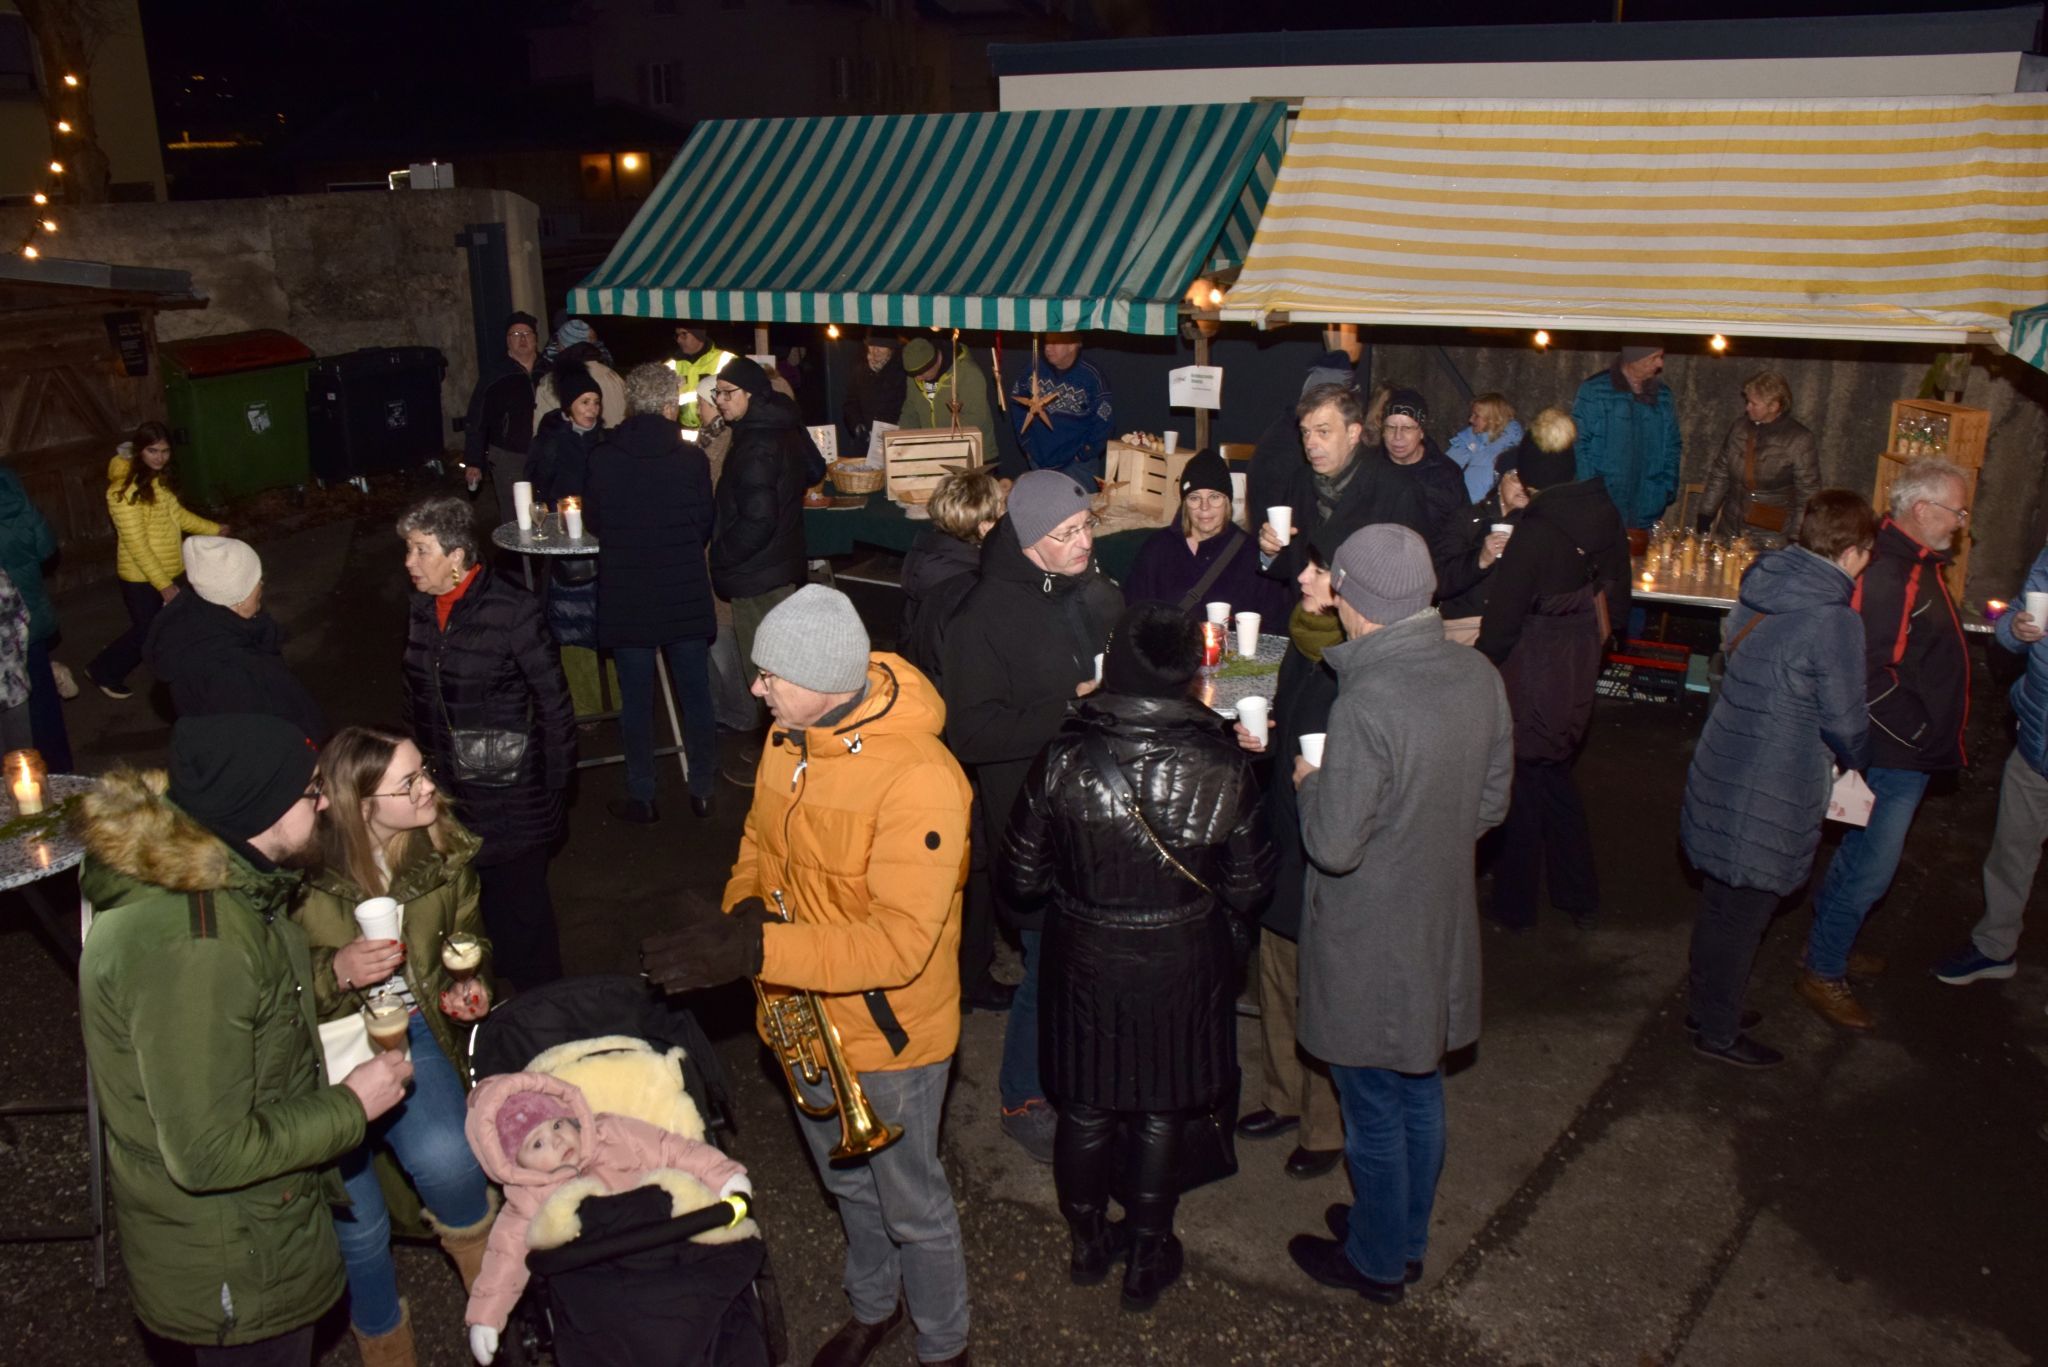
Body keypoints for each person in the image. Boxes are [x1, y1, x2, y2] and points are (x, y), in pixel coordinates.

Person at [643, 586, 975, 1367]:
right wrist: (745, 907)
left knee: (913, 1206)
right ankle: (874, 1306)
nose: (754, 689)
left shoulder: (921, 779)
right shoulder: (791, 736)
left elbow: (897, 947)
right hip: (802, 1019)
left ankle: (945, 1345)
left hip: (890, 1037)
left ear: (827, 678)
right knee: (847, 1184)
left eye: (769, 676)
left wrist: (757, 952)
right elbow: (759, 841)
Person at [78, 713, 415, 1364]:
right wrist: (351, 1104)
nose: (321, 803)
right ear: (262, 806)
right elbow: (206, 1151)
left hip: (254, 1227)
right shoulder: (199, 949)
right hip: (234, 1261)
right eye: (310, 790)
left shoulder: (220, 889)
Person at [1002, 602, 1274, 1311]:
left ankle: (1089, 1244)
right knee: (1161, 1109)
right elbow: (1250, 885)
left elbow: (1020, 878)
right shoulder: (1223, 761)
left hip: (1085, 960)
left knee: (1086, 1107)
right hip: (1181, 960)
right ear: (1189, 672)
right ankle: (1148, 1253)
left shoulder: (1063, 755)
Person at [1286, 525, 1512, 1304]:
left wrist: (1311, 781)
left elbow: (1335, 845)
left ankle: (1378, 1261)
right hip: (1440, 921)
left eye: (1341, 591)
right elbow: (1489, 802)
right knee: (1421, 1085)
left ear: (1361, 603)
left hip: (1368, 937)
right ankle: (1404, 1234)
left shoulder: (1367, 700)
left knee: (1372, 1103)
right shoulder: (1478, 673)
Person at [294, 726, 496, 1366]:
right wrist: (337, 971)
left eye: (424, 770)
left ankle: (497, 1303)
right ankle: (385, 1348)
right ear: (359, 804)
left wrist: (470, 985)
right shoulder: (297, 873)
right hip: (319, 1047)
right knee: (357, 1220)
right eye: (407, 782)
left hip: (410, 1027)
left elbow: (471, 942)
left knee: (451, 1160)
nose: (429, 786)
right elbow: (264, 990)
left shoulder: (441, 849)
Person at [940, 471, 1123, 1164]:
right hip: (1034, 828)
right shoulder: (981, 617)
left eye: (1085, 528)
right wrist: (1069, 707)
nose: (1083, 542)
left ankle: (1079, 1077)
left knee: (1084, 966)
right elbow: (972, 733)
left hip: (1093, 819)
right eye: (1066, 534)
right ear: (1026, 539)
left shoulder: (1077, 588)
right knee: (1046, 969)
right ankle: (1022, 1096)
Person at [1681, 491, 1875, 1068]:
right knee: (1744, 916)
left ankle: (1708, 1005)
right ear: (1848, 552)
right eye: (1866, 553)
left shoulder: (1764, 583)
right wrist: (1859, 754)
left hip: (1725, 760)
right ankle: (1716, 1033)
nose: (1867, 564)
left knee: (1721, 903)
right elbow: (1846, 722)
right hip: (1774, 782)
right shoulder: (1834, 621)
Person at [1798, 458, 1971, 1029]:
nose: (1962, 522)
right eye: (1956, 510)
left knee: (1858, 855)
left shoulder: (1913, 561)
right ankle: (1823, 970)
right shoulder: (1895, 573)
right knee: (1873, 867)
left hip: (1901, 750)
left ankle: (1832, 942)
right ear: (1922, 511)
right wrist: (1920, 733)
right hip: (1895, 751)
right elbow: (1868, 672)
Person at [397, 496, 576, 989]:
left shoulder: (512, 609)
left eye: (420, 550)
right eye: (408, 550)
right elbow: (415, 694)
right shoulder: (421, 608)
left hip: (512, 797)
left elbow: (554, 704)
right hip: (449, 796)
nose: (410, 563)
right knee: (472, 922)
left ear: (456, 555)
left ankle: (542, 1016)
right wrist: (415, 773)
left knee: (524, 927)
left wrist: (556, 788)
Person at [462, 1072, 753, 1367]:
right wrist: (486, 1317)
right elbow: (504, 1257)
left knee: (706, 1295)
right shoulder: (527, 1197)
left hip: (665, 1242)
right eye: (537, 1144)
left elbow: (671, 1149)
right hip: (599, 1279)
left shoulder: (610, 1133)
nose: (558, 1140)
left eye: (558, 1124)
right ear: (514, 1165)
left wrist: (723, 1174)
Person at [1477, 416, 1630, 932]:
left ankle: (1514, 907)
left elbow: (1502, 623)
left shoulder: (1533, 533)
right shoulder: (1605, 513)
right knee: (1554, 773)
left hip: (1533, 670)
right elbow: (1620, 598)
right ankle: (1576, 891)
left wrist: (1474, 667)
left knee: (1522, 781)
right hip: (1579, 664)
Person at [1232, 544, 1348, 1180]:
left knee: (1320, 993)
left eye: (1318, 570)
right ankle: (1281, 1096)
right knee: (1276, 978)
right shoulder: (1299, 645)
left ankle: (1325, 1127)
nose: (1301, 576)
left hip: (1328, 843)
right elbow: (1277, 723)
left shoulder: (1353, 663)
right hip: (1285, 833)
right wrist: (1263, 738)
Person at [584, 363, 720, 823]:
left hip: (628, 593)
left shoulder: (603, 457)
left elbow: (595, 523)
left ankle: (642, 793)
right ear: (667, 406)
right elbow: (704, 523)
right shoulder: (691, 460)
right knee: (695, 695)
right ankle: (702, 786)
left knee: (637, 702)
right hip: (681, 588)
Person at [1937, 537, 2048, 985]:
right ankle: (1995, 947)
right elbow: (2012, 619)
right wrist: (2015, 629)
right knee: (2010, 853)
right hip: (2036, 739)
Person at [708, 355, 828, 688]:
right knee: (786, 667)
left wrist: (721, 555)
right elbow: (815, 469)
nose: (719, 401)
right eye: (716, 393)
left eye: (727, 393)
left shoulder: (757, 443)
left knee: (767, 678)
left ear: (750, 394)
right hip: (781, 564)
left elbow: (758, 520)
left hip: (756, 574)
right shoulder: (781, 422)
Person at [85, 421, 225, 701]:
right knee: (148, 632)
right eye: (152, 450)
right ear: (139, 451)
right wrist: (163, 584)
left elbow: (178, 516)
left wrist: (214, 529)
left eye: (164, 451)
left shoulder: (156, 482)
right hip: (140, 577)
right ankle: (103, 670)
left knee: (174, 624)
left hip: (170, 568)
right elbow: (137, 545)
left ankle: (189, 673)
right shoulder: (122, 492)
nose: (160, 457)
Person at [143, 535, 328, 741]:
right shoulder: (228, 672)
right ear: (237, 599)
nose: (262, 583)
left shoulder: (205, 616)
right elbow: (260, 736)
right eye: (255, 580)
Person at [1256, 383, 1430, 591]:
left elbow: (1410, 579)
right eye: (1305, 432)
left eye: (1323, 432)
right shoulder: (1301, 482)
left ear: (1353, 433)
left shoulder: (1395, 489)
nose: (1310, 443)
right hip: (1305, 618)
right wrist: (1270, 552)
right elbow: (1291, 569)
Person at [524, 364, 607, 717]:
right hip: (566, 548)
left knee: (609, 623)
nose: (592, 409)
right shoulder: (553, 442)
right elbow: (537, 486)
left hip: (603, 543)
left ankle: (618, 701)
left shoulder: (607, 440)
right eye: (585, 402)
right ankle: (586, 706)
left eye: (596, 402)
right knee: (572, 626)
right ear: (569, 406)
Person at [1122, 450, 1290, 625]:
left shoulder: (1249, 552)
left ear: (1227, 502)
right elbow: (1133, 614)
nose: (1204, 507)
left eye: (1214, 497)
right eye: (1194, 498)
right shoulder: (1158, 547)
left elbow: (1271, 622)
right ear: (1184, 504)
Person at [897, 465, 1004, 691]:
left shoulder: (926, 558)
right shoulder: (971, 585)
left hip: (920, 687)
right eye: (1001, 509)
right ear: (985, 528)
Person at [1696, 370, 1822, 549]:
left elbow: (1808, 493)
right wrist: (1706, 514)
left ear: (1774, 406)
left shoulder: (1799, 439)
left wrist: (1796, 537)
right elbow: (1720, 473)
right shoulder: (1739, 428)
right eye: (1747, 401)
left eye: (1754, 403)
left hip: (1771, 534)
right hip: (1730, 527)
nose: (1747, 407)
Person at [0, 461, 69, 767]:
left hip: (9, 622)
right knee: (41, 703)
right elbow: (46, 547)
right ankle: (57, 774)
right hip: (30, 615)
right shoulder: (10, 485)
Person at [1571, 343, 1681, 532]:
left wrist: (1665, 488)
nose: (1660, 364)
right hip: (1604, 502)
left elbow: (1672, 444)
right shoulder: (1595, 390)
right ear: (1634, 359)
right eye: (1653, 358)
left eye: (1661, 357)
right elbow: (1579, 444)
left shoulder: (1662, 395)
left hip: (1648, 504)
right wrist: (1589, 491)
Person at [1433, 444, 1531, 630]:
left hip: (1516, 628)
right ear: (1499, 481)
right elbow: (1440, 581)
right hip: (1466, 623)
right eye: (1516, 476)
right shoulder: (1468, 519)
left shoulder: (1536, 525)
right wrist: (1480, 559)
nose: (1523, 486)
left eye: (1530, 478)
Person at [462, 312, 546, 531]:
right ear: (508, 340)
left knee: (547, 510)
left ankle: (548, 562)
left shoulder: (548, 371)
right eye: (516, 334)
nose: (522, 339)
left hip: (546, 453)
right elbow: (477, 418)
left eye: (527, 333)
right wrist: (474, 461)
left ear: (536, 338)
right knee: (515, 516)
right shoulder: (495, 375)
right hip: (509, 455)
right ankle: (519, 563)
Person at [1007, 332, 1113, 483]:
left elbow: (1104, 422)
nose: (1048, 348)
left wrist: (1083, 455)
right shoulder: (1033, 369)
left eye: (1055, 343)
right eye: (1046, 342)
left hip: (1077, 468)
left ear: (1073, 345)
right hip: (1039, 462)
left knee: (1077, 506)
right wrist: (1027, 445)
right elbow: (1017, 405)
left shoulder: (1092, 377)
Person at [900, 336, 997, 460]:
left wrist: (940, 444)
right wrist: (904, 444)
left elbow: (976, 419)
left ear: (936, 361)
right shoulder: (915, 375)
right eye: (914, 375)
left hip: (973, 454)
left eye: (921, 373)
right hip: (935, 454)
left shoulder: (967, 373)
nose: (918, 378)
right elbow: (910, 412)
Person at [1443, 392, 1524, 505]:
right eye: (1471, 414)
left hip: (1491, 511)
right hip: (1461, 509)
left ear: (1493, 419)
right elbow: (1443, 471)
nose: (1471, 420)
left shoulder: (1511, 449)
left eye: (1476, 416)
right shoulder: (1465, 440)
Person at [843, 330, 906, 457]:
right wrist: (857, 426)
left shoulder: (902, 371)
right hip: (866, 441)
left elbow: (908, 406)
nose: (875, 350)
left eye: (881, 346)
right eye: (872, 345)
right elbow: (851, 403)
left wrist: (899, 428)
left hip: (894, 440)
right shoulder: (860, 370)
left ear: (891, 349)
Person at [667, 324, 735, 431]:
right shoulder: (670, 365)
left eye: (684, 334)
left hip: (720, 431)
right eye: (677, 335)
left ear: (698, 334)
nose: (679, 340)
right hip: (682, 433)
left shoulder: (727, 360)